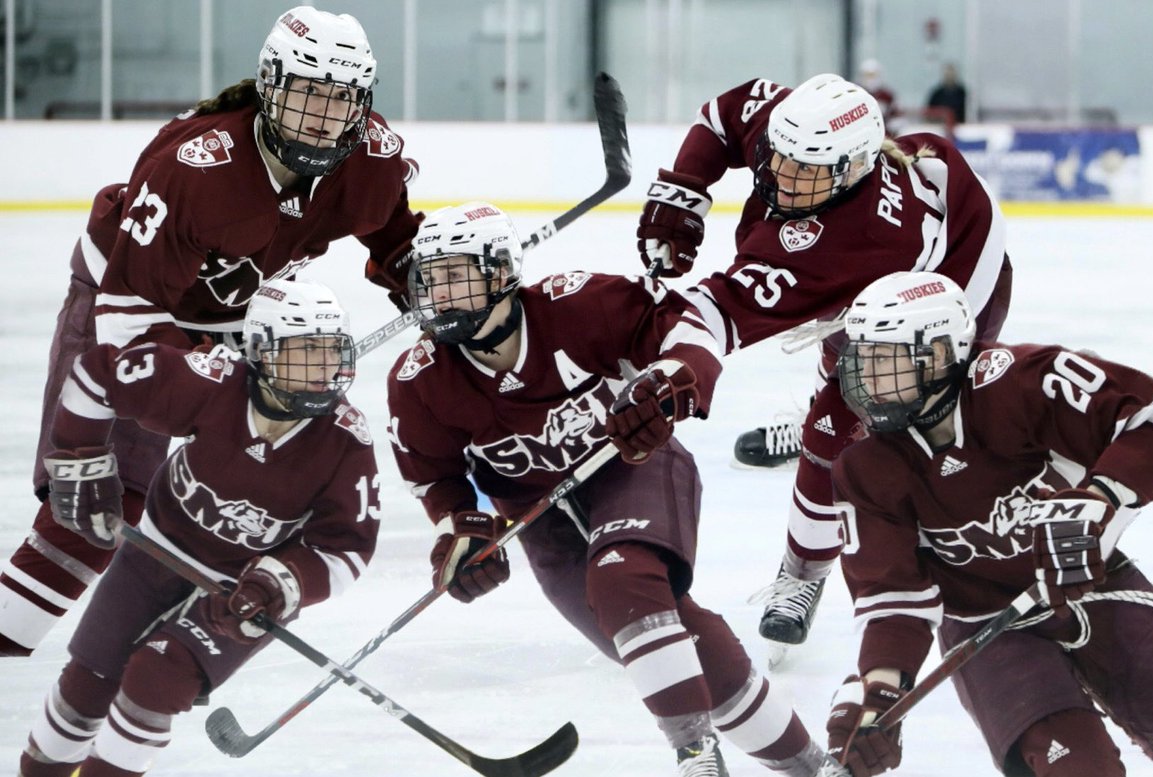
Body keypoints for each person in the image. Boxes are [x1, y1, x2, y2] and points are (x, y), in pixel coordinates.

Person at [0, 5, 419, 657]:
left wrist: (419, 274)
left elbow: (391, 229)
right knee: (91, 516)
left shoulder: (370, 156)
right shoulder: (194, 166)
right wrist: (91, 440)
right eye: (308, 93)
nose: (323, 116)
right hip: (128, 307)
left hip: (228, 326)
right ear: (271, 86)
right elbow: (125, 323)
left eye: (341, 100)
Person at [387, 202, 827, 776]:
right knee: (661, 634)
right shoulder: (419, 380)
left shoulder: (579, 305)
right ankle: (813, 768)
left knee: (624, 579)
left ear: (500, 274)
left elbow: (684, 326)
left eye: (455, 274)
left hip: (630, 462)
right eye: (430, 277)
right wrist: (463, 535)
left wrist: (669, 384)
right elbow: (435, 476)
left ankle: (696, 758)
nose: (439, 293)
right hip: (536, 518)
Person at [634, 72, 1012, 665]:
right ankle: (822, 419)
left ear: (850, 170)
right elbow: (723, 115)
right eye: (779, 159)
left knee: (839, 433)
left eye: (803, 173)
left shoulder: (852, 243)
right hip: (904, 261)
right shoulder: (800, 132)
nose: (781, 178)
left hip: (953, 295)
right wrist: (680, 193)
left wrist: (671, 358)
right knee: (841, 367)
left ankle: (803, 570)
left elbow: (717, 311)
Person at [822, 271, 1153, 777]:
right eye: (862, 360)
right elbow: (894, 599)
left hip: (1093, 583)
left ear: (938, 355)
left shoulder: (1018, 382)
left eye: (884, 359)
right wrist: (879, 694)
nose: (866, 379)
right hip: (987, 628)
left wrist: (1099, 498)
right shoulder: (867, 468)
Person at [19, 279, 381, 777]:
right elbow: (98, 373)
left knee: (154, 681)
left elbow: (347, 550)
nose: (324, 367)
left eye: (331, 348)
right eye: (304, 349)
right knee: (88, 680)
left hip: (241, 593)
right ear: (258, 351)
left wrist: (278, 585)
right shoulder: (209, 382)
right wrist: (79, 459)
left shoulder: (346, 443)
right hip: (156, 551)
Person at [857, 59, 900, 133]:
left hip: (884, 132)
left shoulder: (887, 95)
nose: (870, 78)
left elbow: (896, 113)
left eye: (873, 75)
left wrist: (894, 123)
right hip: (862, 132)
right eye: (867, 75)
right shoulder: (857, 93)